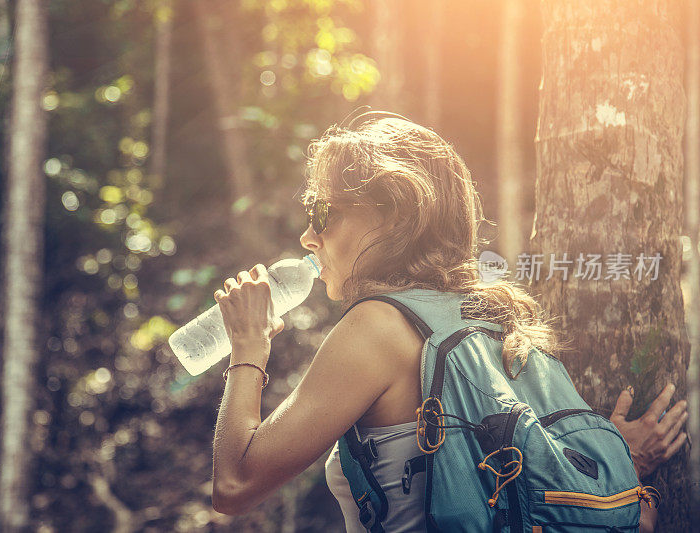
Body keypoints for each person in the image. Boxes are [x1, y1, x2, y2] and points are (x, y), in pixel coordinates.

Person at [210, 113, 688, 532]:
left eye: (323, 213)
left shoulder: (376, 327)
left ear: (393, 215)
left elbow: (235, 486)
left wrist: (248, 346)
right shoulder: (498, 315)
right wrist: (622, 460)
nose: (308, 236)